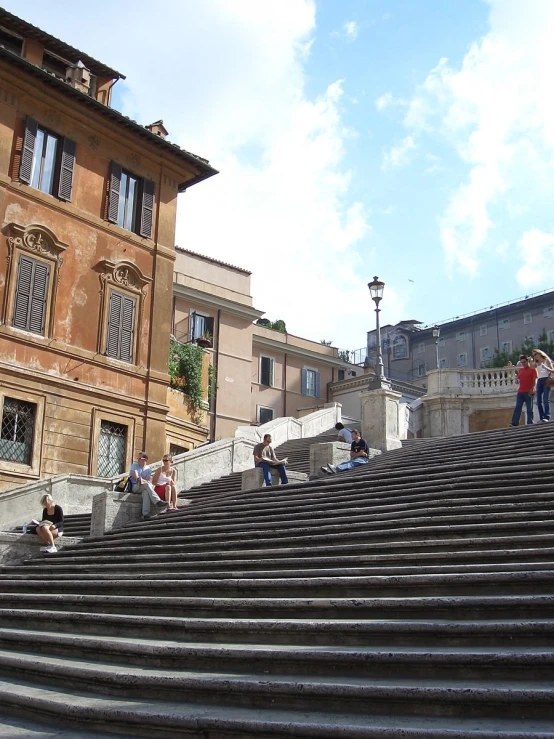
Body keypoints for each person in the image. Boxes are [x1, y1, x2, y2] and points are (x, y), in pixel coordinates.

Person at [129, 452, 167, 519]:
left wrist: (142, 481)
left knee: (146, 492)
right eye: (138, 458)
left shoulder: (148, 469)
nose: (138, 459)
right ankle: (157, 501)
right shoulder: (134, 465)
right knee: (147, 485)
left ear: (145, 460)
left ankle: (145, 514)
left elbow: (146, 480)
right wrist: (140, 480)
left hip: (143, 487)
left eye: (140, 458)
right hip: (134, 486)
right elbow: (136, 477)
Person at [510, 354, 537, 427]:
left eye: (524, 362)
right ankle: (514, 422)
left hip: (529, 391)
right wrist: (516, 380)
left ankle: (530, 422)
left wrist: (533, 388)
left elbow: (534, 380)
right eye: (522, 362)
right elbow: (518, 379)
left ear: (527, 361)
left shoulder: (533, 369)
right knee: (518, 406)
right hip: (521, 391)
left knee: (529, 408)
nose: (523, 364)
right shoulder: (521, 370)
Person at [532, 349, 554, 422]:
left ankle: (547, 416)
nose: (535, 356)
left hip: (546, 380)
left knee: (545, 399)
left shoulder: (546, 360)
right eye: (534, 355)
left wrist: (546, 367)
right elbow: (531, 368)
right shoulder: (536, 363)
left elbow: (552, 370)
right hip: (539, 380)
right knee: (538, 400)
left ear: (539, 354)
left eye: (535, 354)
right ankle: (541, 417)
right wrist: (530, 361)